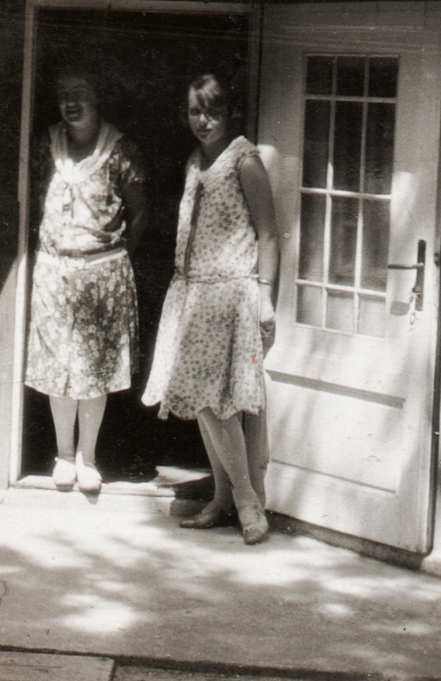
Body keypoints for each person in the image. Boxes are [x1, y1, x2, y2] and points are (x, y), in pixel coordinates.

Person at [142, 72, 278, 545]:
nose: (203, 121)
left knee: (218, 405)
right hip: (192, 294)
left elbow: (268, 234)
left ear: (229, 114)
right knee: (206, 406)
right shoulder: (195, 161)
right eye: (195, 111)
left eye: (212, 112)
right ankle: (222, 499)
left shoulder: (244, 161)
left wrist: (266, 299)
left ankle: (247, 500)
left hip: (230, 295)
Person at [24, 66, 147, 492]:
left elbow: (140, 212)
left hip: (102, 274)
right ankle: (62, 454)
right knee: (57, 364)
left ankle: (87, 457)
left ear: (97, 98)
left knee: (94, 368)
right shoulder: (48, 144)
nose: (71, 102)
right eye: (64, 94)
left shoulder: (120, 149)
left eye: (79, 92)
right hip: (54, 271)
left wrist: (115, 259)